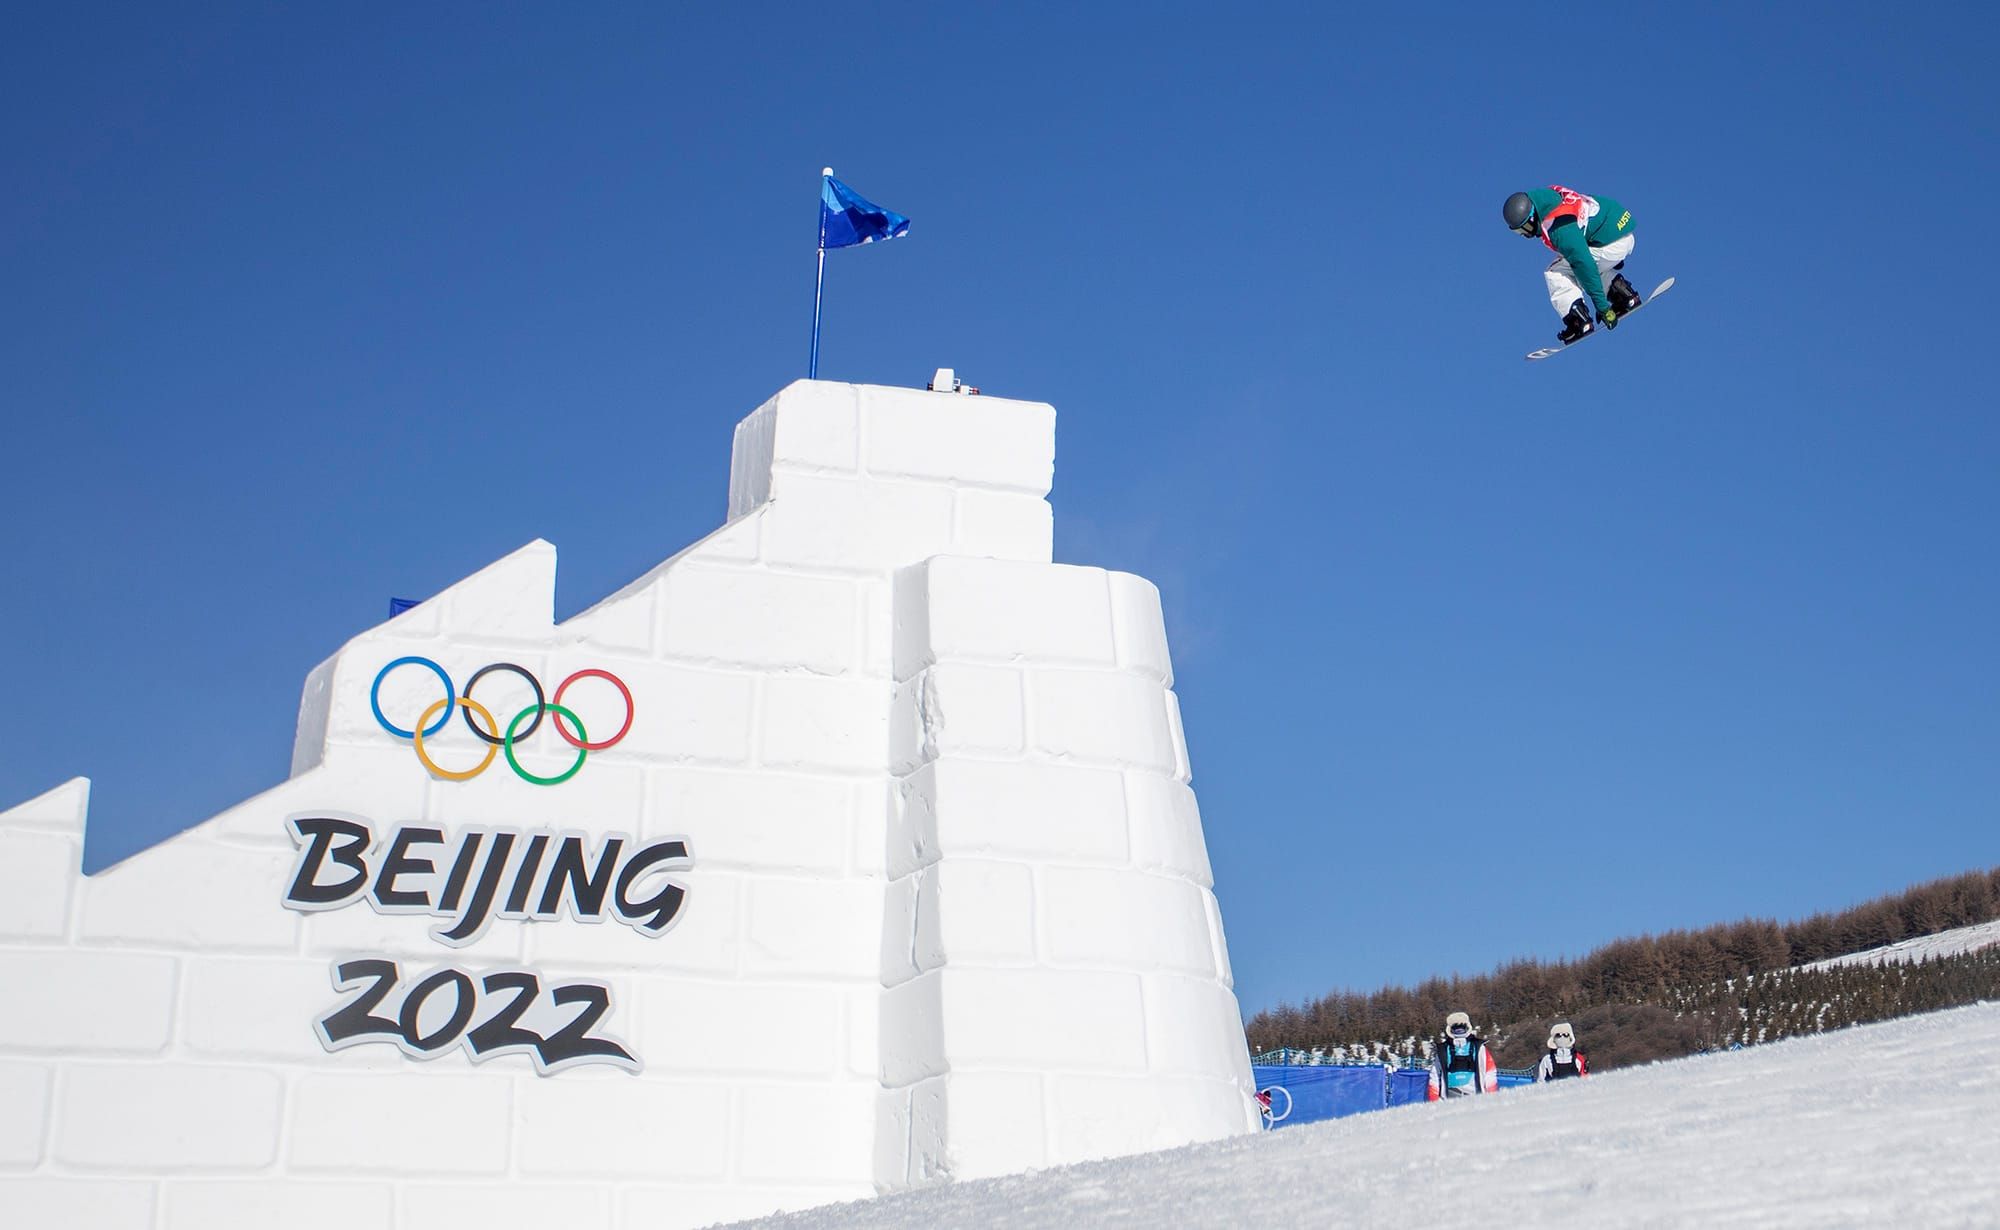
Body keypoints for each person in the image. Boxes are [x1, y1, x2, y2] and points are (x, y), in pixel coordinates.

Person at [1502, 186, 1642, 346]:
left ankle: (1579, 321)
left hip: (1612, 242)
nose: (1526, 234)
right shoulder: (1549, 199)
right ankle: (1623, 294)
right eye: (1518, 232)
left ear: (1532, 216)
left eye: (1525, 228)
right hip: (1618, 233)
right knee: (1577, 266)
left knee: (1557, 272)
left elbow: (1583, 264)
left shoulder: (1558, 226)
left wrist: (1603, 308)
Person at [1427, 1011, 1498, 1100]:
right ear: (1450, 1029)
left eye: (1462, 1028)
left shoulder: (1479, 1048)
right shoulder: (1443, 1051)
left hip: (1476, 1097)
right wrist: (1434, 1101)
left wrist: (1491, 1097)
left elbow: (1490, 1073)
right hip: (1449, 1100)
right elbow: (1434, 1077)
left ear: (1467, 1027)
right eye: (1455, 1028)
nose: (1459, 1031)